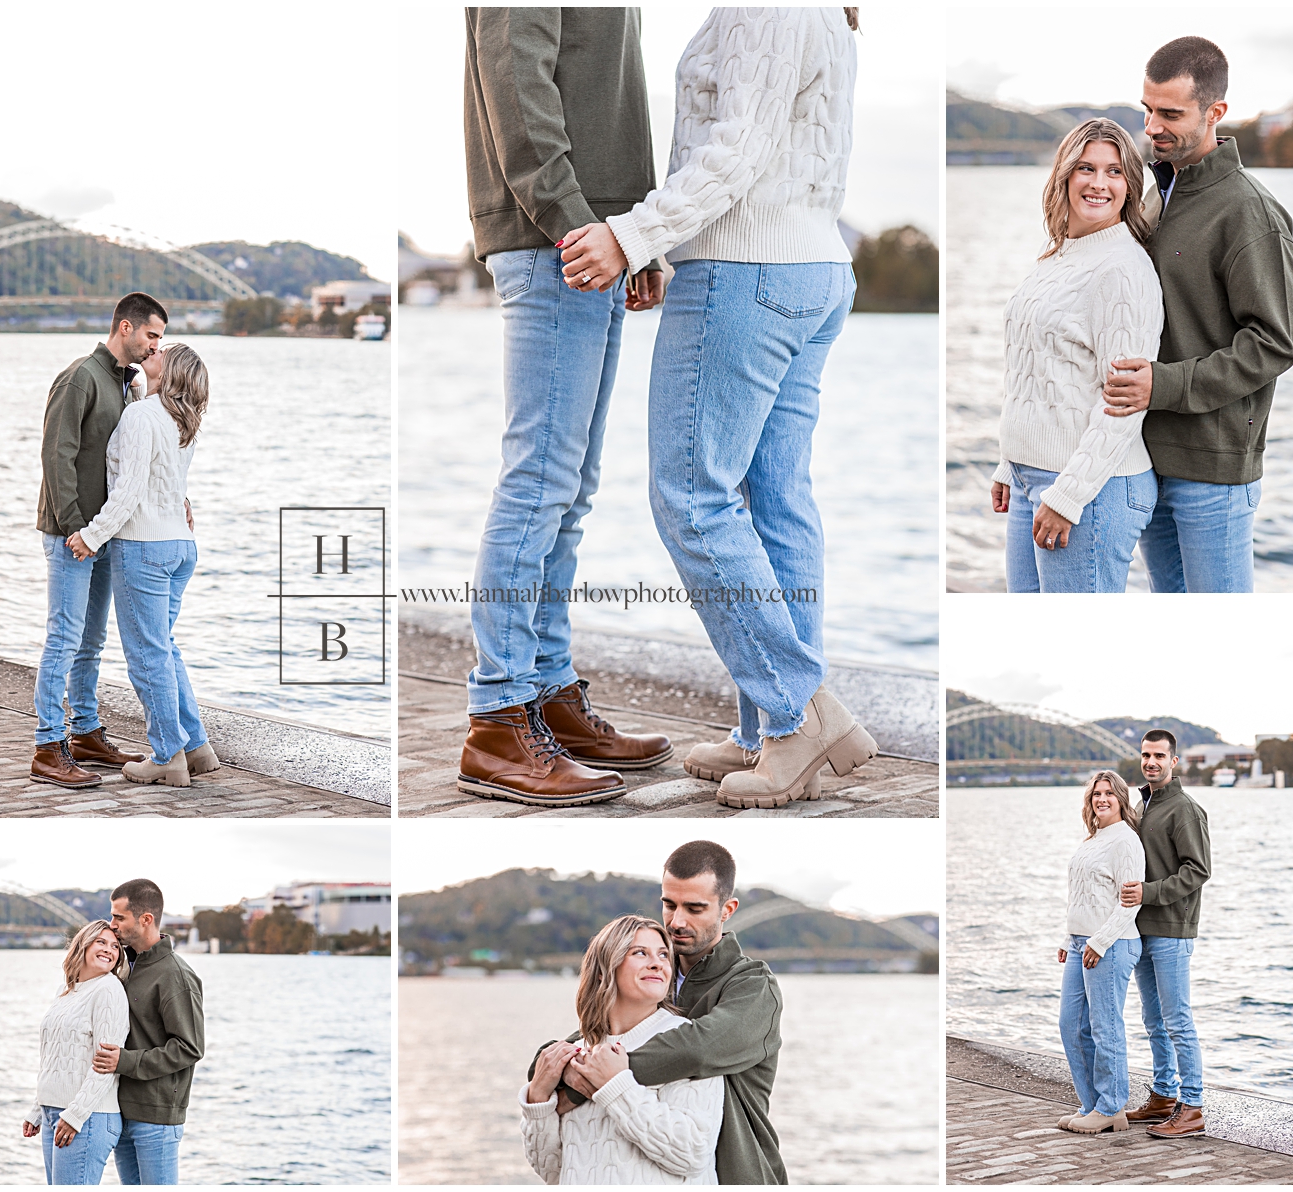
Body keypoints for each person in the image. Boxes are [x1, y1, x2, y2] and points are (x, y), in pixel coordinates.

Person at [556, 8, 876, 809]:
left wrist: (631, 237)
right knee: (776, 504)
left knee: (692, 498)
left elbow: (735, 153)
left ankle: (798, 711)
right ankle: (768, 730)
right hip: (813, 269)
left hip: (746, 272)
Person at [455, 7, 674, 808]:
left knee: (570, 489)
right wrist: (580, 223)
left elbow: (609, 96)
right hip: (560, 240)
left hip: (600, 240)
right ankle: (496, 720)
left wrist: (638, 235)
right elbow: (515, 80)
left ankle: (545, 696)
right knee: (539, 482)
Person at [1103, 37, 1293, 592]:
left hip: (1212, 470)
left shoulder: (1248, 212)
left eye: (1170, 114)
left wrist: (1161, 385)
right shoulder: (1151, 194)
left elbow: (1275, 342)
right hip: (1143, 457)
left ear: (1215, 112)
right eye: (1147, 110)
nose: (1152, 127)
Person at [531, 840, 786, 1184]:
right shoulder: (653, 977)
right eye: (669, 904)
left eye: (694, 908)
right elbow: (586, 1039)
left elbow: (698, 1049)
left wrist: (585, 1082)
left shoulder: (753, 985)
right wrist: (549, 1069)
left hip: (740, 1176)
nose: (677, 921)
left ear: (727, 909)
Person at [989, 119, 1164, 592]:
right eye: (1086, 168)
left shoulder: (1123, 270)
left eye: (1114, 172)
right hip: (1034, 479)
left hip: (1091, 490)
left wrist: (1067, 496)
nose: (1098, 183)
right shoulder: (1061, 254)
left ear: (1130, 185)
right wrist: (1012, 460)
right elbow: (1034, 367)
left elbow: (1124, 403)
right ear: (1065, 175)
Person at [31, 293, 168, 788]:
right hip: (72, 534)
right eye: (152, 335)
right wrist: (73, 529)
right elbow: (56, 455)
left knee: (90, 643)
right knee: (63, 639)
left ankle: (86, 733)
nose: (156, 345)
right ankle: (48, 747)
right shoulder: (80, 378)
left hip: (104, 532)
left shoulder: (126, 385)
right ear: (126, 327)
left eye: (160, 339)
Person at [67, 342, 218, 789]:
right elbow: (158, 477)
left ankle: (166, 757)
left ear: (169, 371)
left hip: (144, 547)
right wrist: (137, 391)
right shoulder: (180, 419)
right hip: (180, 545)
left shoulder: (140, 417)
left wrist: (91, 535)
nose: (154, 349)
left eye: (162, 351)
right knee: (165, 648)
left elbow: (129, 489)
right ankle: (196, 748)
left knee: (147, 655)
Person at [521, 915, 723, 1183]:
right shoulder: (576, 1054)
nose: (657, 963)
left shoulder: (685, 1040)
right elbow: (551, 1170)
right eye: (640, 952)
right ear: (605, 967)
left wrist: (617, 1086)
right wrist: (538, 1098)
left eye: (664, 955)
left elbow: (693, 1153)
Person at [1119, 730, 1212, 1138]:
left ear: (1175, 761)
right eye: (1145, 755)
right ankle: (1163, 1096)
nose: (1151, 761)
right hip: (1142, 928)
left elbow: (1198, 870)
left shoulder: (1185, 810)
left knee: (1178, 1020)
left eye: (1159, 755)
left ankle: (1191, 1108)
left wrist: (1149, 893)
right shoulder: (1145, 805)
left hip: (1172, 930)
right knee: (1154, 1019)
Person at [93, 879, 205, 1184]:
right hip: (121, 1111)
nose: (111, 925)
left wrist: (124, 1062)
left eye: (119, 917)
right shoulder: (126, 965)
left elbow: (189, 1048)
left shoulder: (175, 975)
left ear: (145, 919)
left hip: (156, 1119)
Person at [1056, 771, 1145, 1134]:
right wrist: (1069, 939)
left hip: (1112, 943)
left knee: (1105, 1028)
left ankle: (1111, 1106)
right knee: (1071, 1025)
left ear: (1121, 799)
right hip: (1081, 943)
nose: (1102, 799)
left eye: (1109, 793)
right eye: (1096, 793)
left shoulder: (1125, 841)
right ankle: (1093, 1105)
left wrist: (1099, 941)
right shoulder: (1093, 839)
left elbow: (1129, 902)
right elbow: (1082, 897)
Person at [23, 921, 130, 1184]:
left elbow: (106, 1065)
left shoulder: (109, 989)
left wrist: (75, 1115)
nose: (109, 950)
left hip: (87, 1117)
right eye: (101, 942)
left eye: (115, 946)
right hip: (54, 1113)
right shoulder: (66, 990)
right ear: (83, 944)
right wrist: (38, 1109)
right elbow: (53, 1056)